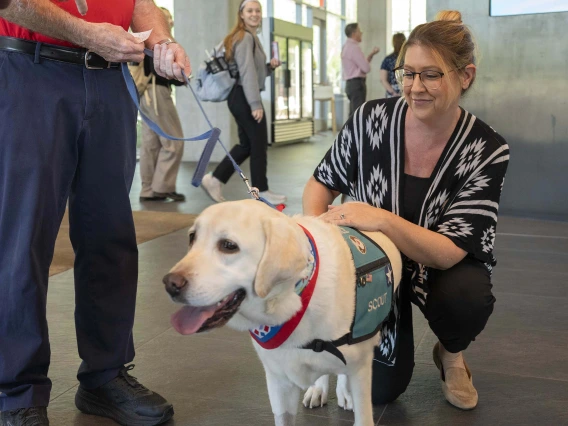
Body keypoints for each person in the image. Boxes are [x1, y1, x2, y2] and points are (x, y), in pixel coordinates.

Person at [303, 10, 509, 411]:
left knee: (466, 298)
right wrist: (318, 242)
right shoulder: (370, 119)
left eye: (431, 75)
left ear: (465, 76)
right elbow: (320, 184)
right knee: (380, 392)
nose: (415, 87)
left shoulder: (487, 148)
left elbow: (450, 250)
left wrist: (380, 218)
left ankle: (451, 353)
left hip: (437, 266)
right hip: (371, 267)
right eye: (407, 73)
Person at [0, 1, 190, 425]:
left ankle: (105, 376)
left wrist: (161, 41)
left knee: (110, 235)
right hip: (30, 72)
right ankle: (17, 391)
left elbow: (140, 4)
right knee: (21, 238)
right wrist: (86, 33)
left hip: (109, 81)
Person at [200, 0, 286, 205]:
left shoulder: (248, 37)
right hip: (244, 97)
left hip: (240, 96)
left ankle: (215, 179)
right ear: (241, 15)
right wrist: (255, 104)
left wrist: (269, 67)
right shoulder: (245, 38)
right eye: (250, 11)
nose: (254, 14)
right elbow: (246, 73)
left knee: (247, 145)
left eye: (257, 10)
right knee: (258, 144)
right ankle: (261, 190)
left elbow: (252, 71)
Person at [139, 7, 186, 202]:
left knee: (151, 142)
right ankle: (162, 187)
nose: (169, 22)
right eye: (165, 18)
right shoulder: (159, 41)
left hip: (143, 93)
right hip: (156, 93)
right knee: (173, 140)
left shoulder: (143, 39)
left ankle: (148, 189)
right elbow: (164, 72)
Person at [341, 22, 380, 116]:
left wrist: (370, 55)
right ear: (354, 34)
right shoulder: (354, 48)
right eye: (359, 31)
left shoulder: (345, 47)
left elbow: (359, 65)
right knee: (358, 115)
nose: (361, 33)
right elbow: (366, 68)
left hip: (350, 84)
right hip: (357, 85)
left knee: (353, 113)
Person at [380, 32, 406, 98]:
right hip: (406, 90)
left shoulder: (388, 59)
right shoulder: (409, 58)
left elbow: (383, 79)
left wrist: (393, 93)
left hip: (392, 91)